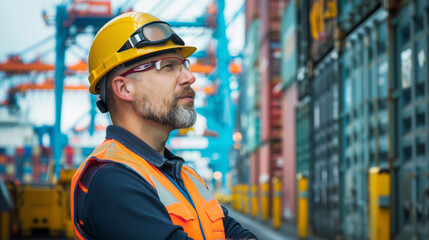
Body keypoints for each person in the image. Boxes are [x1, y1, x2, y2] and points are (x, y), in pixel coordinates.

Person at [70, 12, 258, 240]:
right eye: (168, 67)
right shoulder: (110, 181)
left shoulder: (185, 176)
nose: (190, 77)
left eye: (184, 65)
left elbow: (232, 230)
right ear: (124, 88)